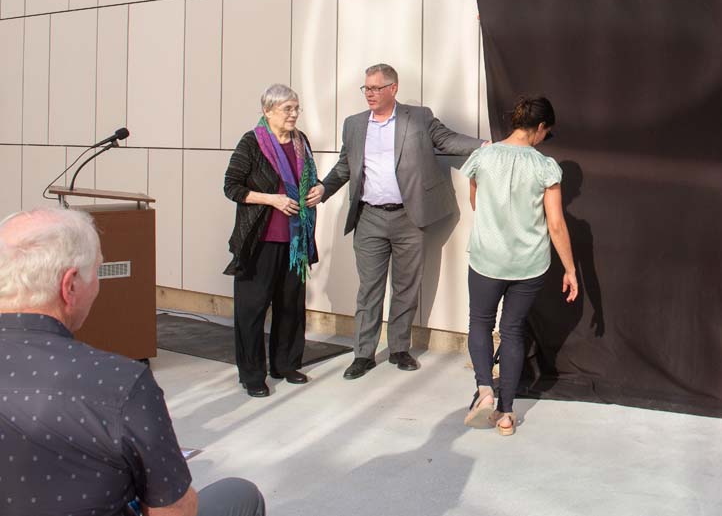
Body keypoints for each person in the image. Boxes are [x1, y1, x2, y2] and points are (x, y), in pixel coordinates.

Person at [0, 207, 266, 516]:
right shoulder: (120, 382)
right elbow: (175, 511)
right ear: (70, 286)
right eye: (97, 272)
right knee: (241, 495)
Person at [321, 63, 484, 379]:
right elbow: (345, 166)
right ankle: (363, 355)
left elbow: (447, 140)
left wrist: (485, 146)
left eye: (375, 88)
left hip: (409, 217)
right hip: (369, 217)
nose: (369, 94)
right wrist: (323, 189)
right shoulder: (354, 125)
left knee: (406, 287)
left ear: (392, 89)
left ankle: (398, 349)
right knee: (369, 290)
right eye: (366, 88)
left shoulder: (418, 117)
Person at [459, 95, 579, 435]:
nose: (545, 139)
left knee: (480, 322)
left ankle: (484, 390)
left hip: (486, 258)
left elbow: (475, 202)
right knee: (512, 330)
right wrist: (570, 270)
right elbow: (555, 224)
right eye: (547, 133)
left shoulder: (482, 157)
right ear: (540, 128)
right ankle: (507, 414)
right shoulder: (544, 166)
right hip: (529, 264)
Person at [223, 83, 321, 397]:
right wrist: (272, 199)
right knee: (252, 310)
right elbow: (232, 187)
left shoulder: (300, 141)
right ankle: (252, 374)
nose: (294, 115)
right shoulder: (252, 142)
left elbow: (311, 177)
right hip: (260, 239)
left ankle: (286, 364)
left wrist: (318, 188)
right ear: (268, 111)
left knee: (290, 306)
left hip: (295, 242)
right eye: (287, 109)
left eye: (296, 108)